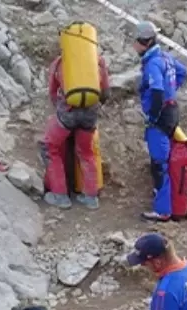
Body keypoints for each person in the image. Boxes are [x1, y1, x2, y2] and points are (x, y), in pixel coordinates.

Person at [42, 36, 111, 210]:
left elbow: (52, 91)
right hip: (89, 116)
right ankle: (90, 197)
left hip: (67, 115)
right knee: (86, 153)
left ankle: (60, 195)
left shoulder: (60, 63)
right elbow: (105, 93)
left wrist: (61, 109)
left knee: (50, 147)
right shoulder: (99, 62)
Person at [134, 21, 187, 222]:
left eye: (135, 42)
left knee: (159, 163)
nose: (133, 46)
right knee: (161, 160)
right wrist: (172, 90)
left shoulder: (153, 64)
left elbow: (156, 90)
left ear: (144, 42)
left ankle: (163, 210)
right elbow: (182, 71)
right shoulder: (165, 57)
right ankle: (163, 197)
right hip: (172, 111)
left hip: (161, 116)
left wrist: (154, 114)